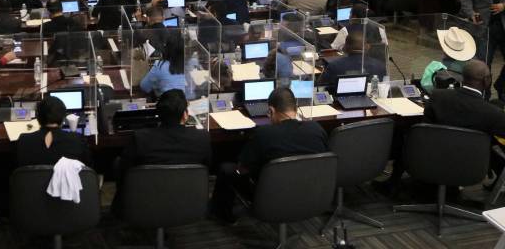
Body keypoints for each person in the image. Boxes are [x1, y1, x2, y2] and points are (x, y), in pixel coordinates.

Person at [210, 87, 328, 222]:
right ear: (296, 108)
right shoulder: (316, 129)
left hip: (272, 195)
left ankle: (223, 217)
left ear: (271, 111)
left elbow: (243, 168)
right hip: (311, 192)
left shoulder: (264, 134)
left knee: (226, 169)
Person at [113, 89, 211, 213]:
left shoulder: (140, 138)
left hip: (146, 202)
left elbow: (125, 170)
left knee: (118, 163)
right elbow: (207, 168)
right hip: (189, 202)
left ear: (158, 114)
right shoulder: (202, 137)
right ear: (185, 114)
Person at [461, 0, 505, 98]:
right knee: (483, 66)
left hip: (503, 26)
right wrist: (471, 13)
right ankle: (483, 96)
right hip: (484, 27)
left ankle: (501, 85)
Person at [425, 60, 505, 136]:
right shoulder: (495, 114)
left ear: (462, 77)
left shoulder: (437, 97)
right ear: (486, 80)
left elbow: (426, 128)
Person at [16, 96, 91, 166]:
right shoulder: (77, 140)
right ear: (63, 119)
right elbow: (87, 170)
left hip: (32, 180)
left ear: (38, 118)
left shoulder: (24, 140)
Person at [318, 25, 387, 91]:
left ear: (345, 47)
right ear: (367, 47)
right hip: (372, 101)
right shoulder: (380, 66)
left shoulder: (334, 66)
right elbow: (385, 88)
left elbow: (320, 87)